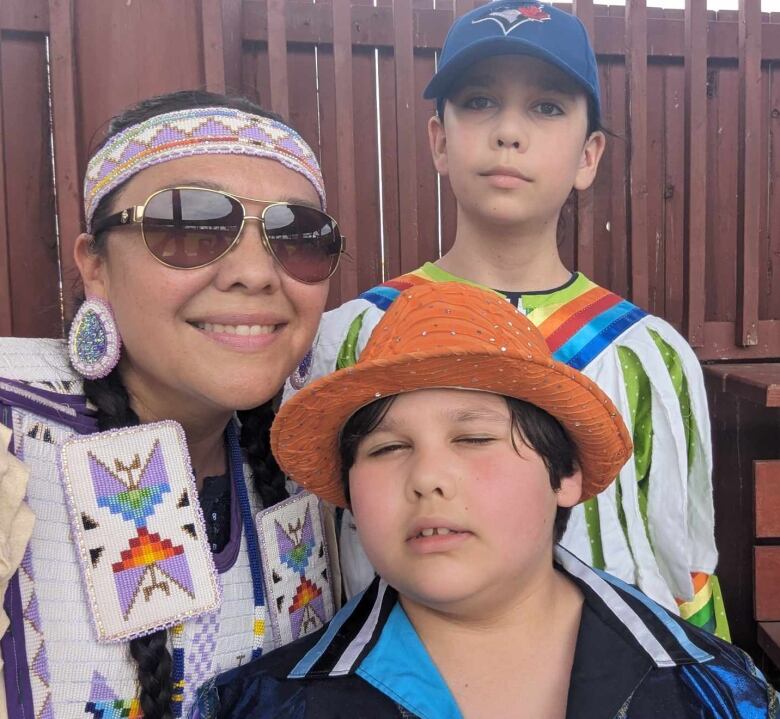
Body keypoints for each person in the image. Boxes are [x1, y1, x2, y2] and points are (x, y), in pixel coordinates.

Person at [287, 0, 725, 637]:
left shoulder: (645, 356)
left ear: (588, 155)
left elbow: (686, 563)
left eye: (546, 106)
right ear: (440, 140)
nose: (508, 132)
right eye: (479, 101)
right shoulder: (352, 336)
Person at [199, 282, 774, 718]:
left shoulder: (714, 691)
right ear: (348, 492)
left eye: (473, 439)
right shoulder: (268, 703)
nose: (428, 478)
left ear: (565, 473)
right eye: (387, 447)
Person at [0, 90, 343, 719]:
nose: (256, 274)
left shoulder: (315, 462)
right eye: (189, 226)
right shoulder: (9, 445)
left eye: (297, 236)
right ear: (95, 266)